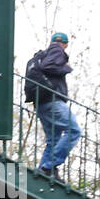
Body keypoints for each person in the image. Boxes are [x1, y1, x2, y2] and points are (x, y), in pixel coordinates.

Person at [35, 31, 81, 180]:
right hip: (53, 101)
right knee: (73, 131)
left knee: (53, 139)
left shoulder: (44, 53)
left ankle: (44, 172)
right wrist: (67, 68)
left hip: (41, 103)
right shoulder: (57, 50)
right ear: (66, 44)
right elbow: (48, 67)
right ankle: (49, 166)